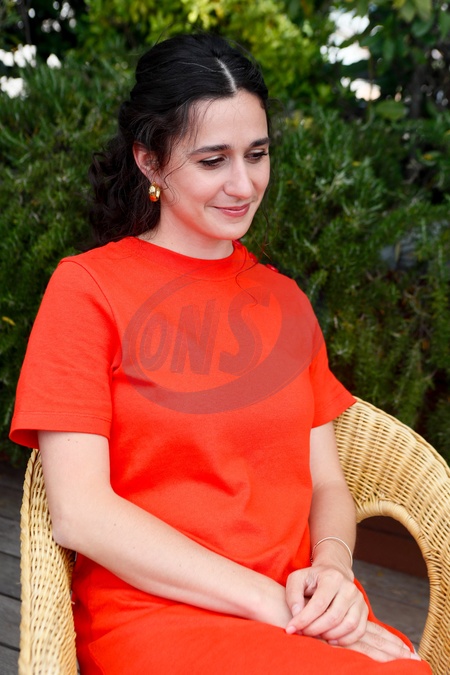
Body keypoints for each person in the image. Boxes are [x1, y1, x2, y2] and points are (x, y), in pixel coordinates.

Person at [10, 33, 431, 674]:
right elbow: (80, 513)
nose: (244, 183)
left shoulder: (285, 300)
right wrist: (270, 603)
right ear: (150, 161)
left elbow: (326, 482)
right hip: (160, 617)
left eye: (257, 154)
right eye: (213, 161)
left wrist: (333, 568)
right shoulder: (87, 289)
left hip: (299, 609)